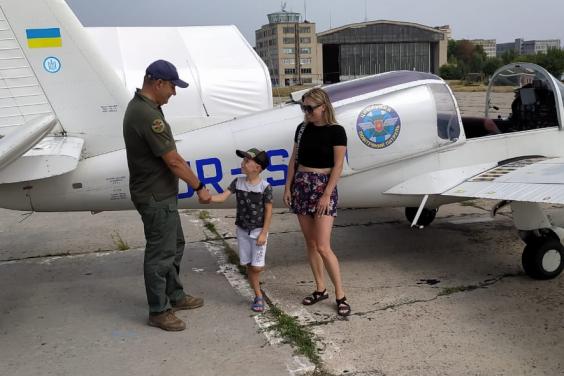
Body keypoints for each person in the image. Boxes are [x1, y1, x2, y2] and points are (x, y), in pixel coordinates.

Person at [123, 59, 211, 331]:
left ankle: (175, 295)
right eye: (172, 86)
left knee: (175, 245)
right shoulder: (148, 115)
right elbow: (172, 161)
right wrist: (199, 186)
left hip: (159, 193)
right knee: (160, 254)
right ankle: (159, 310)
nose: (174, 92)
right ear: (158, 83)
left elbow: (170, 155)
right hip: (155, 195)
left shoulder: (146, 108)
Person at [283, 87, 351, 316]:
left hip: (323, 186)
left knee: (323, 246)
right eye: (304, 107)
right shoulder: (302, 129)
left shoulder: (336, 131)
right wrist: (288, 186)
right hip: (302, 185)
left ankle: (340, 294)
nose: (306, 112)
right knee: (310, 243)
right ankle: (320, 288)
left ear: (323, 107)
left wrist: (326, 194)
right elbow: (294, 159)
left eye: (310, 108)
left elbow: (338, 166)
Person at [202, 148, 273, 313]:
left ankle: (256, 287)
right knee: (248, 264)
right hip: (242, 230)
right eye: (244, 160)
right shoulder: (238, 182)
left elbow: (269, 211)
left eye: (247, 161)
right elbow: (223, 196)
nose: (243, 163)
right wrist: (209, 198)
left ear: (258, 167)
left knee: (257, 267)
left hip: (258, 232)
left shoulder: (265, 187)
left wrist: (264, 232)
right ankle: (258, 295)